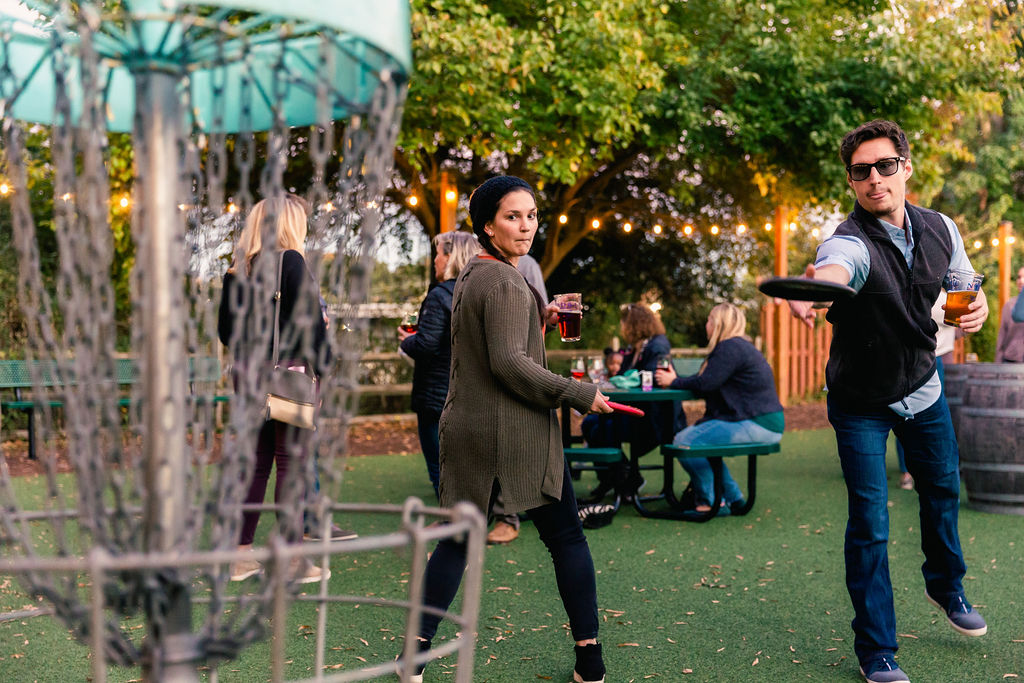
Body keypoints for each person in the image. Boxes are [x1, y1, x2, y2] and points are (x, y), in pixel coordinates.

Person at [788, 120, 988, 683]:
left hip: (923, 384)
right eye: (861, 171)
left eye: (884, 166)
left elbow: (964, 284)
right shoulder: (847, 241)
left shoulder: (942, 227)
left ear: (906, 168)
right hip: (860, 400)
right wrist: (814, 293)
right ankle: (877, 648)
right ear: (851, 181)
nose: (874, 178)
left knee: (942, 488)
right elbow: (835, 270)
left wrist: (977, 307)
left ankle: (945, 586)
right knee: (870, 521)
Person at [406, 176, 612, 683]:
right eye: (512, 216)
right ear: (487, 226)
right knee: (567, 539)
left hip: (466, 428)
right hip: (514, 432)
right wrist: (578, 393)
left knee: (456, 542)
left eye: (532, 215)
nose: (526, 226)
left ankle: (413, 656)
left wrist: (539, 317)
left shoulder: (474, 274)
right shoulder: (503, 280)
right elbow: (508, 363)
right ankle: (590, 660)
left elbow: (493, 343)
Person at [217, 194, 333, 583]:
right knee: (291, 461)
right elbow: (311, 326)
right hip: (290, 375)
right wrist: (325, 367)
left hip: (247, 376)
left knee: (256, 463)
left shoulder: (238, 269)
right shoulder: (291, 261)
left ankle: (239, 555)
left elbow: (226, 333)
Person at [654, 303, 783, 514]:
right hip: (764, 421)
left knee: (685, 442)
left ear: (717, 323)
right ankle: (734, 498)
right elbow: (708, 380)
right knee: (701, 442)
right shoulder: (740, 347)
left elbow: (706, 384)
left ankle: (713, 502)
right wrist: (677, 380)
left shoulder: (729, 347)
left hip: (755, 422)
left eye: (709, 320)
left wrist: (674, 381)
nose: (706, 324)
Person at [398, 231, 479, 498]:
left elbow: (426, 345)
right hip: (470, 394)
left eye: (439, 254)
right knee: (468, 471)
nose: (434, 260)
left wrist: (407, 341)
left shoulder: (439, 295)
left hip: (436, 395)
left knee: (441, 470)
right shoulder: (479, 292)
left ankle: (452, 518)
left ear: (452, 257)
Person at [581, 302, 685, 500]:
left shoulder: (657, 346)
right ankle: (617, 477)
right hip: (632, 412)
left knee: (604, 429)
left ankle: (624, 477)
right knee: (590, 423)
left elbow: (654, 377)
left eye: (623, 323)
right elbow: (621, 377)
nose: (621, 327)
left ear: (634, 324)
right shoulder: (633, 349)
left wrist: (623, 381)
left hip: (654, 418)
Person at [484, 253, 550, 545]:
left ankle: (506, 516)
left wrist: (548, 317)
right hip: (498, 379)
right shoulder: (483, 272)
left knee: (514, 447)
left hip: (524, 374)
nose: (525, 229)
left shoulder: (528, 266)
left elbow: (536, 311)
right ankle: (467, 529)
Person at [895, 292, 955, 490]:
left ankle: (930, 471)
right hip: (917, 359)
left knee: (935, 418)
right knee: (905, 414)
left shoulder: (950, 289)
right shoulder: (925, 288)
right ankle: (907, 472)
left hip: (940, 357)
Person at [995, 265, 1024, 362]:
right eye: (1019, 277)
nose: (1021, 281)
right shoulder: (1009, 305)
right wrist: (998, 364)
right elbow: (1002, 335)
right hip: (1011, 360)